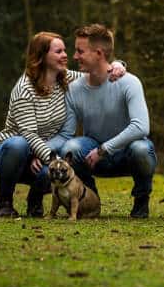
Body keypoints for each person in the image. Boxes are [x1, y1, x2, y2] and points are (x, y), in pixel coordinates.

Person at [0, 31, 125, 218]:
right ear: (42, 57)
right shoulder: (24, 89)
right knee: (18, 144)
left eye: (65, 50)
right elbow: (29, 135)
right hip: (12, 155)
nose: (66, 55)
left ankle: (34, 200)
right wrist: (54, 160)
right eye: (59, 51)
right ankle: (4, 203)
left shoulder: (66, 78)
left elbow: (97, 72)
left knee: (51, 174)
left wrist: (118, 65)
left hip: (45, 153)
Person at [60, 23, 157, 220]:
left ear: (98, 53)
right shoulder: (73, 88)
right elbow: (66, 134)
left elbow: (141, 126)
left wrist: (104, 149)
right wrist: (40, 151)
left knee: (141, 149)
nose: (75, 56)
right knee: (70, 147)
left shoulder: (129, 82)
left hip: (126, 155)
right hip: (94, 157)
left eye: (80, 51)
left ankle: (141, 199)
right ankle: (90, 200)